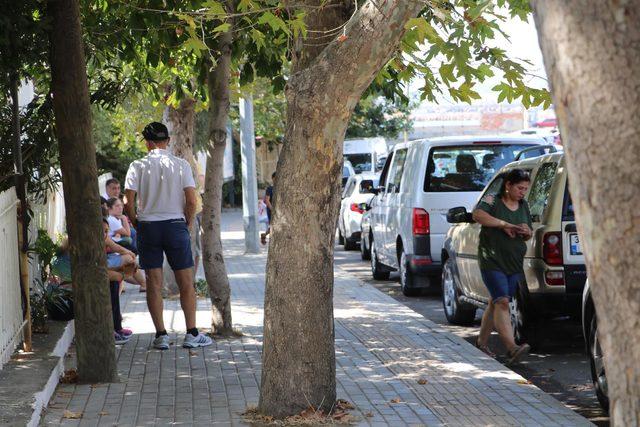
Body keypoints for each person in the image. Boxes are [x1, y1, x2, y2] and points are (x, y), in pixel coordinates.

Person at [124, 121, 212, 350]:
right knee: (186, 281)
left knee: (153, 282)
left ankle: (161, 335)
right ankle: (192, 334)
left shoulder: (137, 166)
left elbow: (128, 202)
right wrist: (188, 223)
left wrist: (136, 222)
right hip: (175, 225)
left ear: (147, 143)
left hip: (148, 226)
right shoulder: (181, 165)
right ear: (168, 141)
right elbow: (192, 200)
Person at [472, 168, 533, 364]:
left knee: (495, 301)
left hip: (514, 262)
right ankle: (511, 348)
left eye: (525, 189)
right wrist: (503, 224)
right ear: (508, 185)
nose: (522, 192)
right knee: (502, 302)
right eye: (519, 188)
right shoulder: (492, 199)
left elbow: (529, 231)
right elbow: (478, 215)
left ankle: (481, 343)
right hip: (492, 260)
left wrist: (525, 231)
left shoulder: (524, 205)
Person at [260, 172, 276, 245]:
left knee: (274, 225)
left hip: (277, 210)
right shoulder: (270, 189)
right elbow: (267, 200)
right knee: (273, 225)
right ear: (273, 179)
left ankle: (264, 235)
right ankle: (265, 235)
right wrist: (272, 210)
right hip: (271, 210)